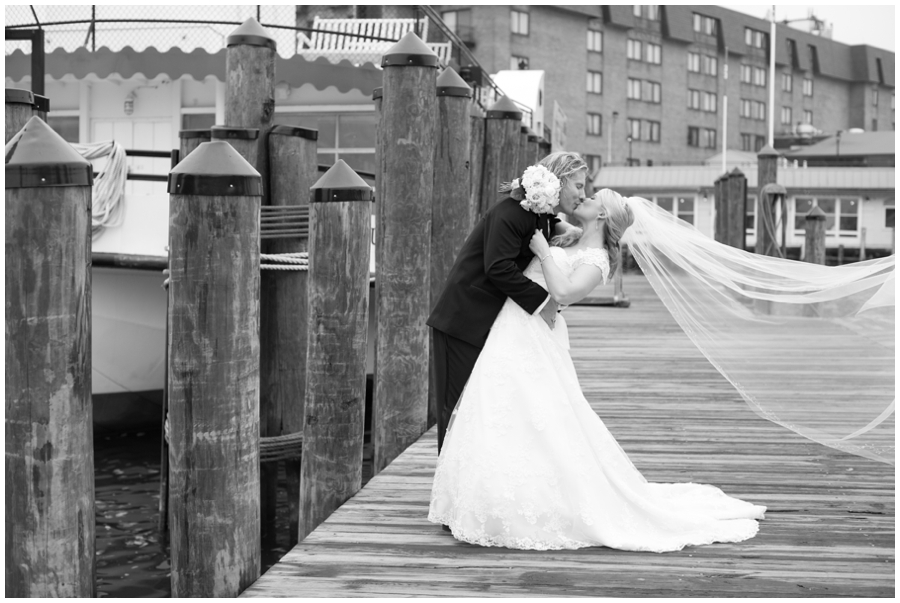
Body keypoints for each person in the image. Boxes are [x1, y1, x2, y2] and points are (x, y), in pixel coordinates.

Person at [428, 187, 767, 552]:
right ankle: (480, 498)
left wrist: (543, 253)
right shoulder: (568, 235)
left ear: (603, 215)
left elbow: (564, 294)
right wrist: (527, 192)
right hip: (509, 329)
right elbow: (533, 217)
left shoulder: (598, 258)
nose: (585, 197)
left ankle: (527, 502)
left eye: (593, 198)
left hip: (536, 336)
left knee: (536, 415)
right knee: (495, 411)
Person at [427, 152, 588, 454]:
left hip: (493, 325)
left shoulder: (537, 212)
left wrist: (560, 226)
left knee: (482, 409)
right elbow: (498, 267)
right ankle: (448, 494)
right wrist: (546, 303)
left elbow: (540, 225)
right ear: (560, 180)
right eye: (578, 186)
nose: (583, 194)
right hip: (463, 321)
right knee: (457, 411)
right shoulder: (512, 212)